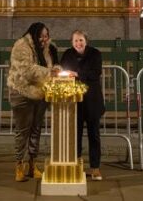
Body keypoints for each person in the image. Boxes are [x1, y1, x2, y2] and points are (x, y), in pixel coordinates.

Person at [7, 21, 59, 182]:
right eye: (41, 36)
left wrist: (53, 63)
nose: (44, 39)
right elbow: (27, 70)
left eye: (46, 35)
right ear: (34, 34)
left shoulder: (47, 48)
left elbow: (54, 65)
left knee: (36, 130)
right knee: (23, 131)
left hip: (41, 94)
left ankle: (32, 164)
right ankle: (19, 164)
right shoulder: (22, 45)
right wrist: (51, 73)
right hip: (23, 93)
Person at [59, 29, 105, 180]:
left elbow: (95, 72)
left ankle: (95, 168)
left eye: (81, 40)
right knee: (75, 135)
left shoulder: (95, 54)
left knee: (94, 135)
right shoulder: (67, 54)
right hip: (74, 100)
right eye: (76, 41)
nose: (78, 43)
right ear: (72, 42)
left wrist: (77, 74)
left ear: (86, 40)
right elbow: (63, 70)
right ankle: (76, 165)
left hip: (92, 99)